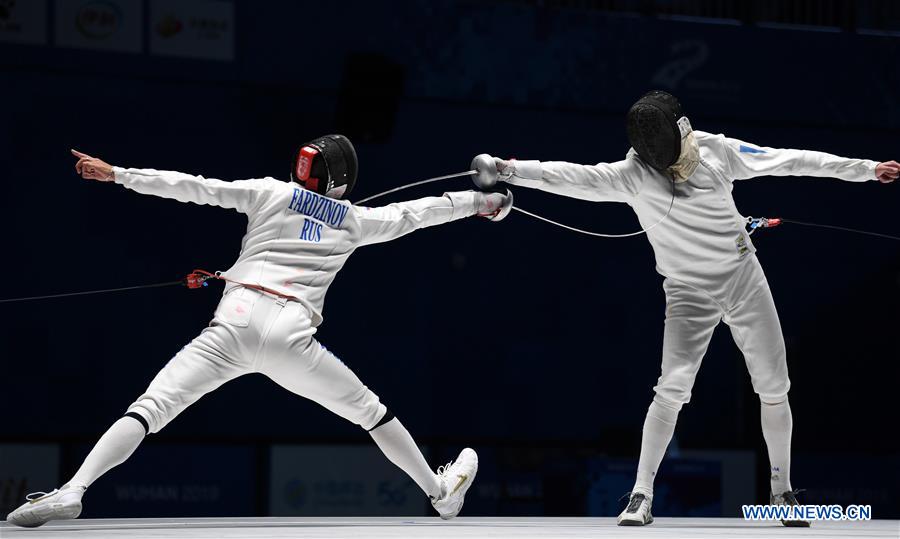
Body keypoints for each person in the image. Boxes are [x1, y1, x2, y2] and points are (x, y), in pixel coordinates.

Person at [6, 135, 512, 528]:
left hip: (232, 327)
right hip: (291, 337)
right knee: (370, 413)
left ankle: (74, 489)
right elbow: (421, 212)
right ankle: (439, 494)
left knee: (150, 408)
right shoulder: (357, 222)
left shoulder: (267, 193)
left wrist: (117, 174)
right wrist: (484, 202)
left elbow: (193, 186)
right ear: (341, 179)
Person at [475, 91, 898, 527]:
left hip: (742, 278)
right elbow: (572, 177)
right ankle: (641, 494)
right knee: (672, 386)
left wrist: (865, 170)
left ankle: (781, 492)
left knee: (774, 383)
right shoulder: (634, 175)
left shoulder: (718, 151)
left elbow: (789, 159)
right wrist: (510, 170)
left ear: (683, 131)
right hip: (687, 292)